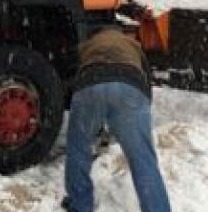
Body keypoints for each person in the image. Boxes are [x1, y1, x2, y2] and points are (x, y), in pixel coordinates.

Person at [63, 26, 171, 212]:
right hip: (130, 85)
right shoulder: (133, 44)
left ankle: (80, 204)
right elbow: (146, 78)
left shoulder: (88, 45)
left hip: (91, 81)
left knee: (78, 148)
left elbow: (72, 75)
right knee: (142, 158)